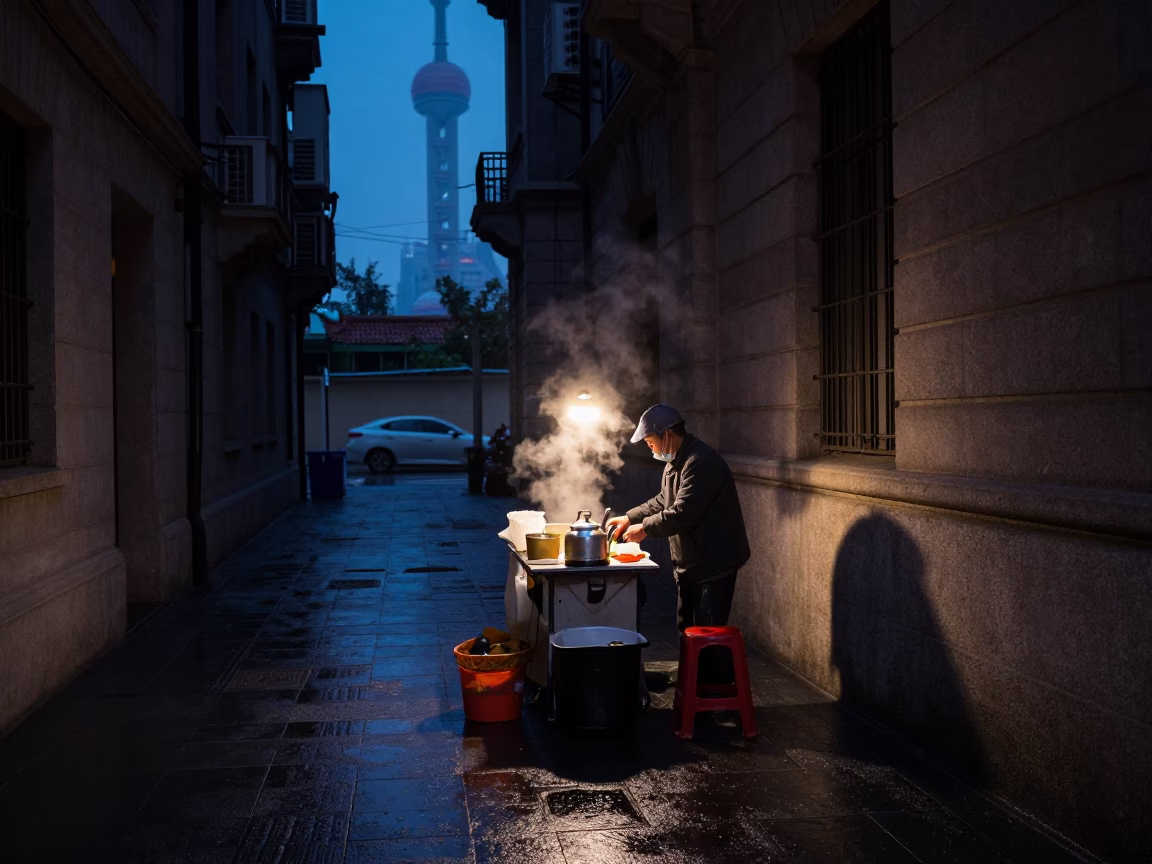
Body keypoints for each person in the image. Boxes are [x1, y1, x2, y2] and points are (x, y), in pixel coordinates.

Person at [606, 404, 750, 688]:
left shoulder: (701, 462)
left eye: (650, 442)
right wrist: (630, 517)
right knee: (686, 626)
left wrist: (644, 529)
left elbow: (683, 512)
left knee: (708, 632)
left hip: (713, 562)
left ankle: (715, 694)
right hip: (692, 561)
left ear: (668, 435)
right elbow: (663, 500)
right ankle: (693, 681)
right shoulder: (675, 462)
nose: (649, 448)